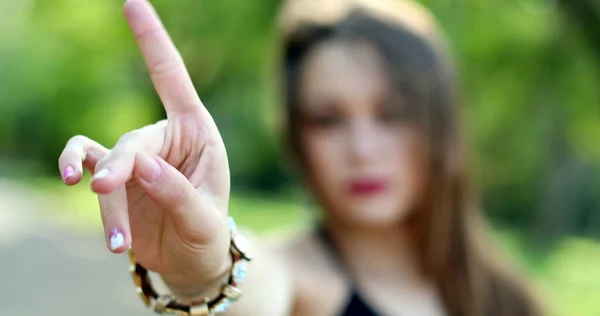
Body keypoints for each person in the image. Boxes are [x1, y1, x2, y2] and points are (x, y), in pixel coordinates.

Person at [57, 0, 544, 315]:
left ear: (441, 128)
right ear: (298, 139)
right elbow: (258, 282)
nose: (362, 148)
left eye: (392, 114)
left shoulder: (508, 297)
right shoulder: (300, 280)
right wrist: (205, 270)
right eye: (327, 119)